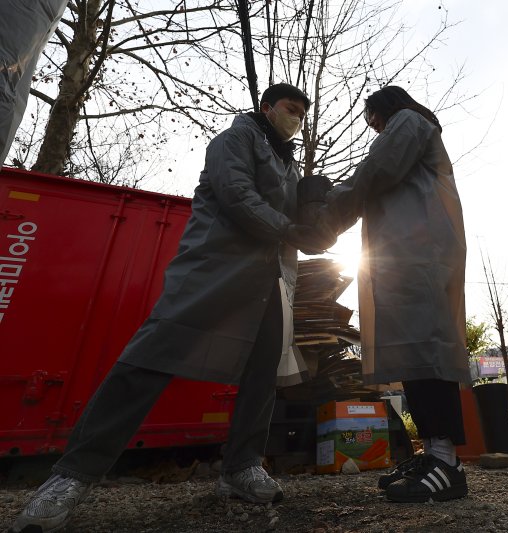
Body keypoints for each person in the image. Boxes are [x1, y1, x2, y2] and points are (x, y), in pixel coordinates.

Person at [12, 83, 334, 532]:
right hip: (214, 268)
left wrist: (321, 206)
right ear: (266, 108)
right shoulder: (234, 140)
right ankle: (71, 475)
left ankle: (241, 467)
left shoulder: (289, 166)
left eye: (301, 113)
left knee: (262, 373)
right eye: (290, 109)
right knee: (149, 359)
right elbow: (237, 195)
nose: (296, 118)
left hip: (270, 279)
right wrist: (291, 229)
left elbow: (306, 224)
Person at [319, 86, 470, 503]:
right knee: (414, 352)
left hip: (420, 252)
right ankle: (434, 451)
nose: (372, 124)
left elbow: (376, 172)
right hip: (406, 253)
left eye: (372, 115)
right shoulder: (406, 129)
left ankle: (448, 463)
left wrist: (325, 212)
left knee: (429, 348)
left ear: (387, 107)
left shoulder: (408, 121)